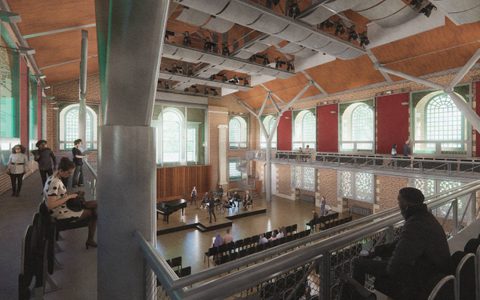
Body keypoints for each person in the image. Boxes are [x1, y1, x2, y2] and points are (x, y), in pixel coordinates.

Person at [348, 187, 451, 300]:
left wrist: (378, 263)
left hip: (422, 281)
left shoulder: (414, 225)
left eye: (399, 201)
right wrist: (376, 251)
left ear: (406, 204)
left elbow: (395, 266)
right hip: (432, 272)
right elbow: (399, 244)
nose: (398, 205)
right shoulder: (424, 217)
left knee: (357, 263)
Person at [44, 157, 98, 249]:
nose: (69, 175)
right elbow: (50, 205)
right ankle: (90, 239)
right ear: (61, 170)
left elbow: (58, 196)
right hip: (60, 213)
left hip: (63, 207)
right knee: (93, 213)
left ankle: (91, 238)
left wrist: (72, 195)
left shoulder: (52, 177)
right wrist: (69, 197)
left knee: (97, 205)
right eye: (68, 173)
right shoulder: (55, 182)